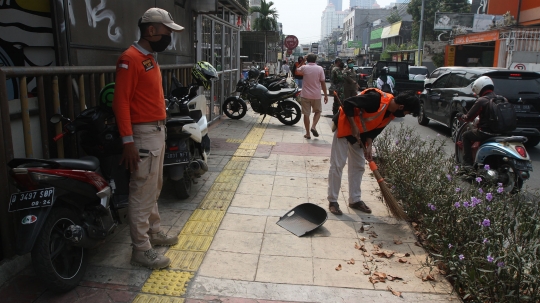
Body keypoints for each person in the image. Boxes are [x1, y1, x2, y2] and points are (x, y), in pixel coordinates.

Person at [112, 7, 182, 269]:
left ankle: (153, 232)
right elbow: (121, 103)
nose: (169, 38)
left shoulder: (149, 58)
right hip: (142, 134)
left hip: (156, 131)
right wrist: (128, 141)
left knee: (154, 186)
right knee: (142, 191)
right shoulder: (129, 59)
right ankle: (141, 248)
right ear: (151, 31)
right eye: (166, 32)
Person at [327, 89, 420, 215]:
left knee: (358, 166)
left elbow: (375, 129)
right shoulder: (375, 99)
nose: (404, 115)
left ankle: (355, 200)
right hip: (344, 127)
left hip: (359, 135)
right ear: (401, 107)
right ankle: (333, 201)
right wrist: (354, 126)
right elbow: (348, 103)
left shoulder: (390, 113)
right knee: (338, 164)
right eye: (406, 113)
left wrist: (369, 144)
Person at [456, 76, 500, 170]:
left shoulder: (482, 100)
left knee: (466, 135)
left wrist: (461, 116)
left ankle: (467, 164)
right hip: (503, 133)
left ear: (479, 87)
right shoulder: (502, 99)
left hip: (486, 133)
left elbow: (468, 118)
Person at [298, 53, 328, 139]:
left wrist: (302, 61)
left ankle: (307, 133)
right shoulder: (320, 69)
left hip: (305, 95)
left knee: (306, 114)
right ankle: (313, 126)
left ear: (307, 60)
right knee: (318, 111)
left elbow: (297, 70)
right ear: (315, 60)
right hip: (316, 95)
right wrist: (325, 95)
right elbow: (323, 83)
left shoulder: (304, 67)